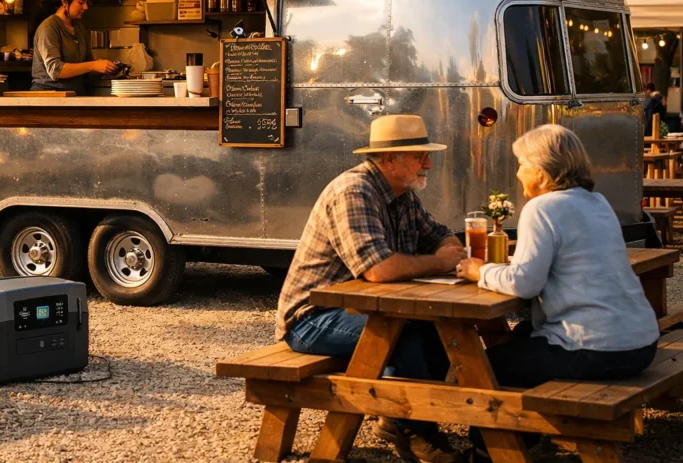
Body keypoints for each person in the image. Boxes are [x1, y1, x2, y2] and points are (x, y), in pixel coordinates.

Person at [457, 124, 659, 462]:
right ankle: (523, 437)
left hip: (598, 349)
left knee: (484, 366)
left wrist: (481, 271)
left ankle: (490, 453)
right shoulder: (597, 202)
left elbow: (524, 284)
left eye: (521, 164)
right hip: (641, 343)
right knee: (522, 339)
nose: (518, 172)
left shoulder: (543, 208)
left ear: (541, 169)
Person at [275, 115, 467, 463]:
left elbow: (441, 234)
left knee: (440, 330)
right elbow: (378, 270)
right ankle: (415, 431)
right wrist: (441, 263)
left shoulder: (402, 193)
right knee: (400, 337)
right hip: (312, 318)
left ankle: (402, 419)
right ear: (388, 159)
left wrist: (448, 250)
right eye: (419, 156)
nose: (429, 164)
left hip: (365, 312)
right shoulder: (354, 191)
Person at [30, 0, 117, 94]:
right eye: (81, 2)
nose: (86, 7)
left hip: (74, 95)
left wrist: (107, 68)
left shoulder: (79, 27)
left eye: (87, 2)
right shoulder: (49, 27)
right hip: (49, 96)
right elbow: (55, 70)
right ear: (64, 1)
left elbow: (88, 63)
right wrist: (93, 65)